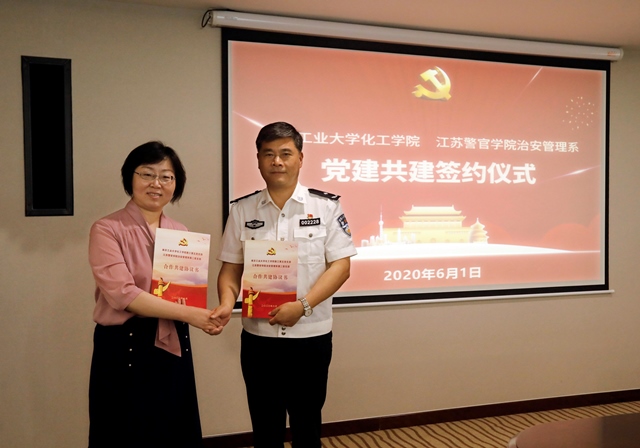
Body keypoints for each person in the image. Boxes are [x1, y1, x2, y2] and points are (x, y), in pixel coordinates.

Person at [212, 122, 357, 447]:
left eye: (285, 153)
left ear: (300, 158)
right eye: (269, 154)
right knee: (265, 428)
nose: (277, 161)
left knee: (307, 426)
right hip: (259, 339)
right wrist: (226, 302)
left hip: (310, 338)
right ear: (258, 160)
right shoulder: (242, 210)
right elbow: (231, 269)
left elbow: (341, 266)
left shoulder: (326, 207)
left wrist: (302, 306)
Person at [88, 141, 222, 448]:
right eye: (147, 174)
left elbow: (183, 293)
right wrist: (195, 316)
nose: (156, 183)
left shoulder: (181, 232)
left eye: (166, 176)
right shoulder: (107, 229)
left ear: (176, 183)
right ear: (130, 178)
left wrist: (200, 313)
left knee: (173, 429)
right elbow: (123, 295)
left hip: (173, 338)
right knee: (125, 432)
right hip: (125, 345)